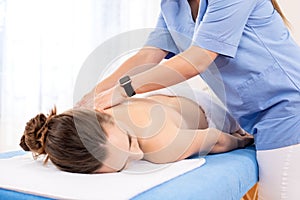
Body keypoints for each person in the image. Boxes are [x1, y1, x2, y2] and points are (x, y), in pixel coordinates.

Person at [77, 0, 300, 199]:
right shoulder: (173, 5)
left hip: (286, 105)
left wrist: (123, 90)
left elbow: (199, 58)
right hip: (250, 113)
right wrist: (91, 97)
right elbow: (147, 56)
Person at [20, 89, 253, 174]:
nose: (138, 156)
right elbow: (62, 132)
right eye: (123, 164)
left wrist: (241, 142)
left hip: (206, 109)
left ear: (104, 115)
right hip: (164, 102)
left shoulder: (165, 145)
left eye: (132, 142)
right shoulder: (81, 118)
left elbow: (217, 140)